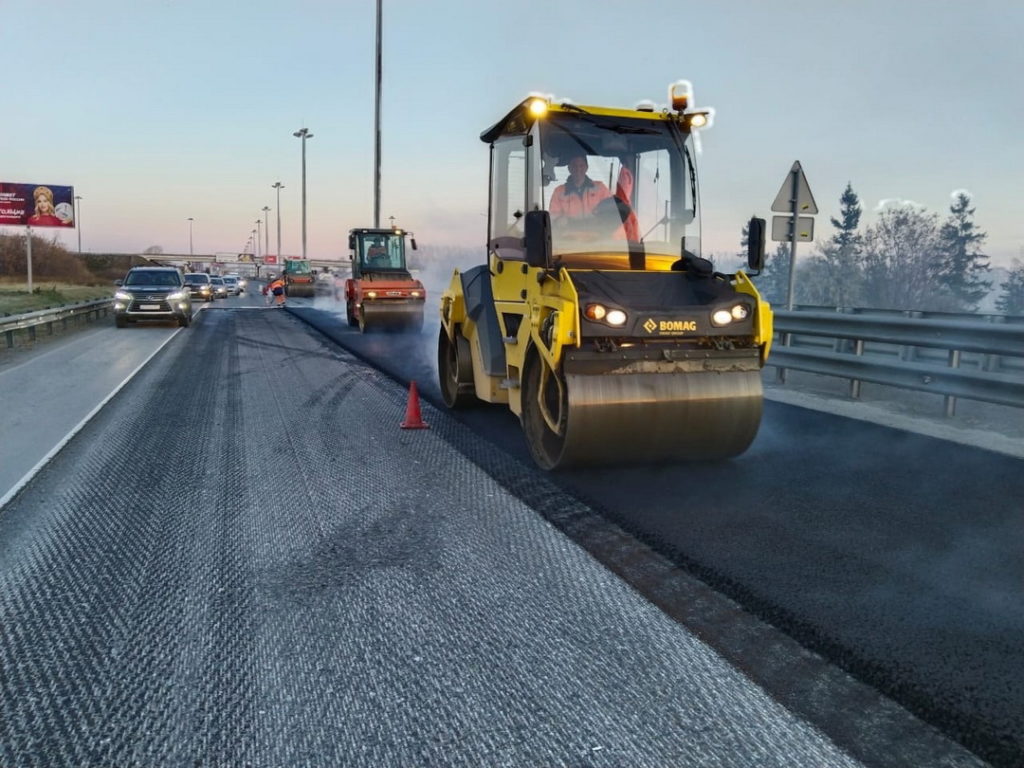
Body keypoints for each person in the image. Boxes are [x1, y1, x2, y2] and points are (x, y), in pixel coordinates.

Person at [548, 154, 611, 223]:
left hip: (599, 233)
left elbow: (611, 212)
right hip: (569, 232)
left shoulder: (600, 188)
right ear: (569, 168)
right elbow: (553, 217)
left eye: (581, 166)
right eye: (574, 166)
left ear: (586, 168)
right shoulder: (558, 192)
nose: (578, 169)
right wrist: (560, 221)